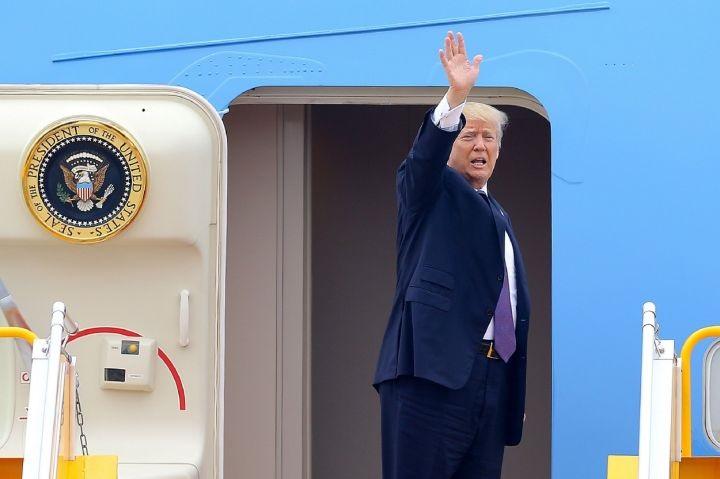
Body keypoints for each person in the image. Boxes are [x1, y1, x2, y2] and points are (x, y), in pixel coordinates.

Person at [373, 31, 531, 479]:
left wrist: (510, 392)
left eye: (489, 138)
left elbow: (513, 309)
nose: (480, 146)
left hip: (489, 384)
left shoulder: (497, 212)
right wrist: (456, 97)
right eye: (469, 136)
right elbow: (424, 159)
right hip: (430, 375)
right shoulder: (430, 191)